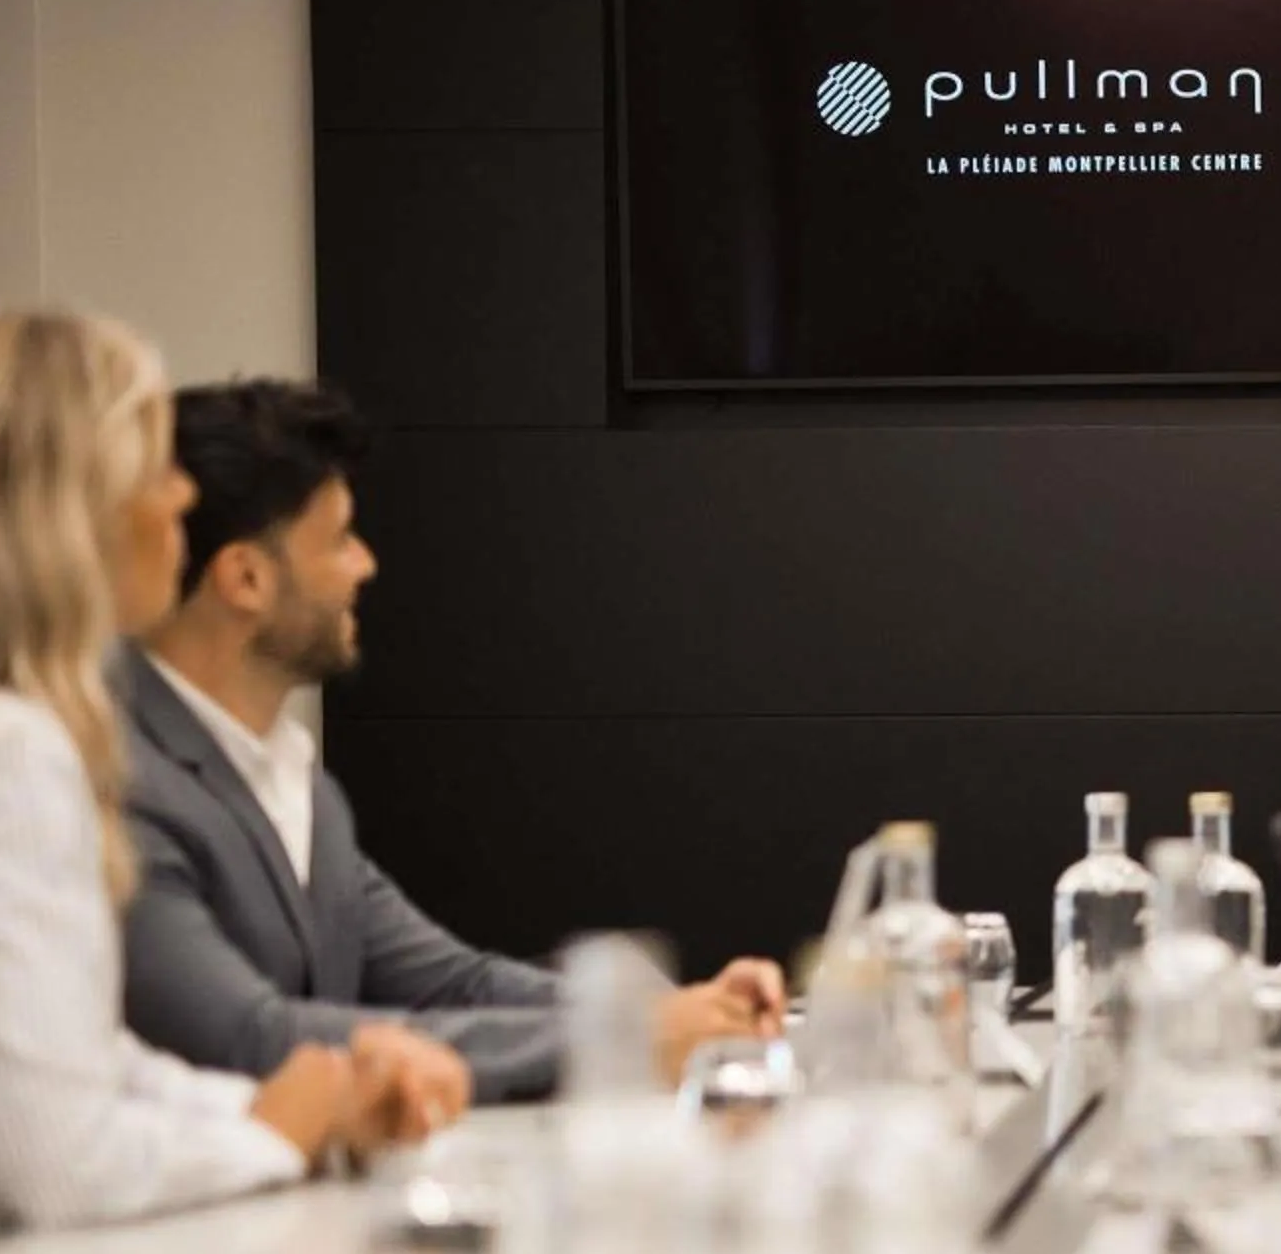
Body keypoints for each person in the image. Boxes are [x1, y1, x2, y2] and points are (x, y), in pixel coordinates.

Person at [119, 377, 785, 1102]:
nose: (366, 564)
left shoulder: (297, 781)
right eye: (339, 540)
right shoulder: (117, 782)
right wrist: (620, 1041)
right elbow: (254, 1041)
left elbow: (453, 983)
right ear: (245, 578)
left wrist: (672, 1012)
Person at [0, 310, 464, 1230]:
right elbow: (62, 1156)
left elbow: (87, 1063)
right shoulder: (4, 749)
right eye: (156, 467)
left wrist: (317, 1099)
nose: (182, 498)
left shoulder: (10, 734)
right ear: (76, 508)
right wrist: (272, 1133)